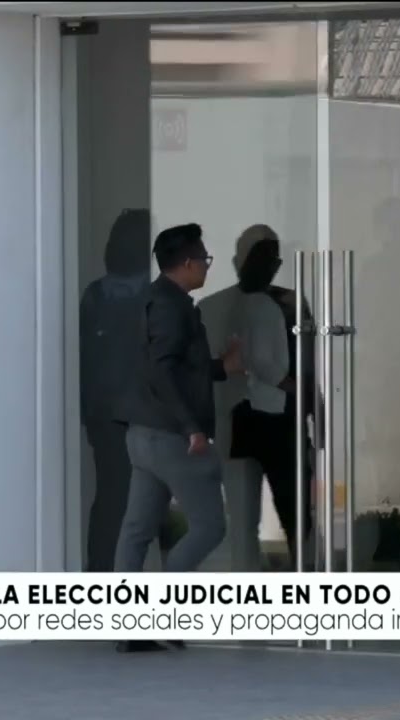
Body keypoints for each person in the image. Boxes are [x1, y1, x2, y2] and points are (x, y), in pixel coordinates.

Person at [113, 222, 241, 653]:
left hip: (144, 434)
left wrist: (221, 367)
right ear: (187, 263)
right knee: (210, 526)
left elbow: (174, 366)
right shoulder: (171, 307)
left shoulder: (152, 301)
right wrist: (192, 428)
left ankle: (129, 627)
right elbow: (162, 370)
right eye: (204, 259)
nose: (206, 266)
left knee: (137, 531)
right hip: (172, 437)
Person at [78, 209, 178, 573]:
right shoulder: (147, 295)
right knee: (130, 501)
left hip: (119, 415)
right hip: (128, 416)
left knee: (119, 501)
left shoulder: (101, 296)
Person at [226, 227, 315, 568]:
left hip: (277, 416)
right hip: (260, 414)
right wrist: (293, 388)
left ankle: (299, 570)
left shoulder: (290, 303)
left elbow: (308, 359)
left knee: (290, 507)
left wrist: (310, 402)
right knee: (252, 512)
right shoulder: (243, 304)